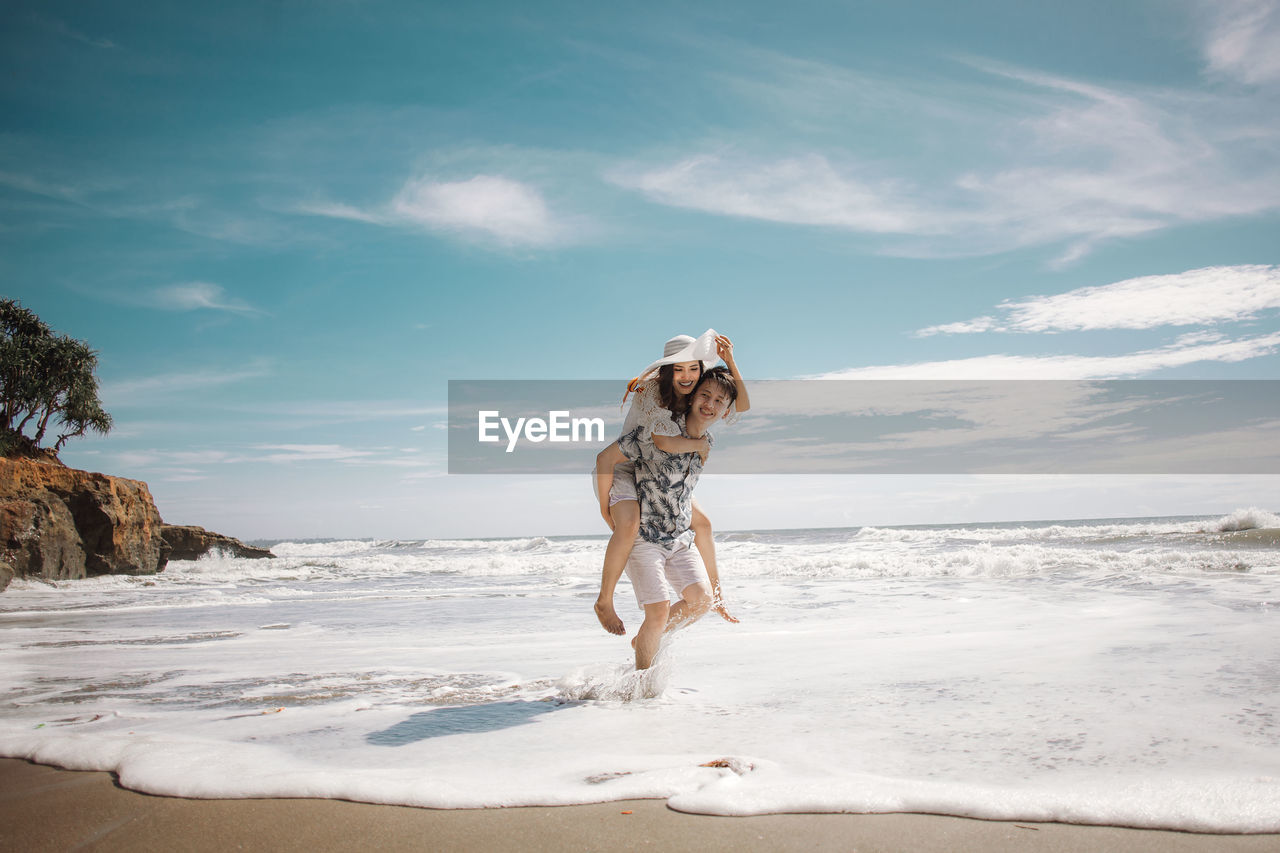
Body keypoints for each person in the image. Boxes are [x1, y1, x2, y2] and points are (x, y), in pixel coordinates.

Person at [592, 331, 749, 636]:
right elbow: (659, 440)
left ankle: (715, 597)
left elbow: (737, 403)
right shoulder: (652, 392)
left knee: (703, 524)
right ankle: (604, 600)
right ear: (667, 371)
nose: (687, 376)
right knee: (628, 524)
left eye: (694, 369)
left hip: (658, 474)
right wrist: (604, 505)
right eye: (679, 369)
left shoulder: (697, 393)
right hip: (625, 467)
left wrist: (730, 360)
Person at [614, 367, 739, 669]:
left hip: (677, 536)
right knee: (657, 613)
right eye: (705, 395)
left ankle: (646, 639)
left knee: (702, 600)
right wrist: (607, 509)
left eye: (719, 401)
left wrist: (719, 593)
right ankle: (642, 692)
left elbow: (697, 517)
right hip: (644, 537)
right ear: (692, 395)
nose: (710, 404)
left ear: (725, 411)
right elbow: (612, 456)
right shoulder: (664, 429)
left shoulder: (708, 442)